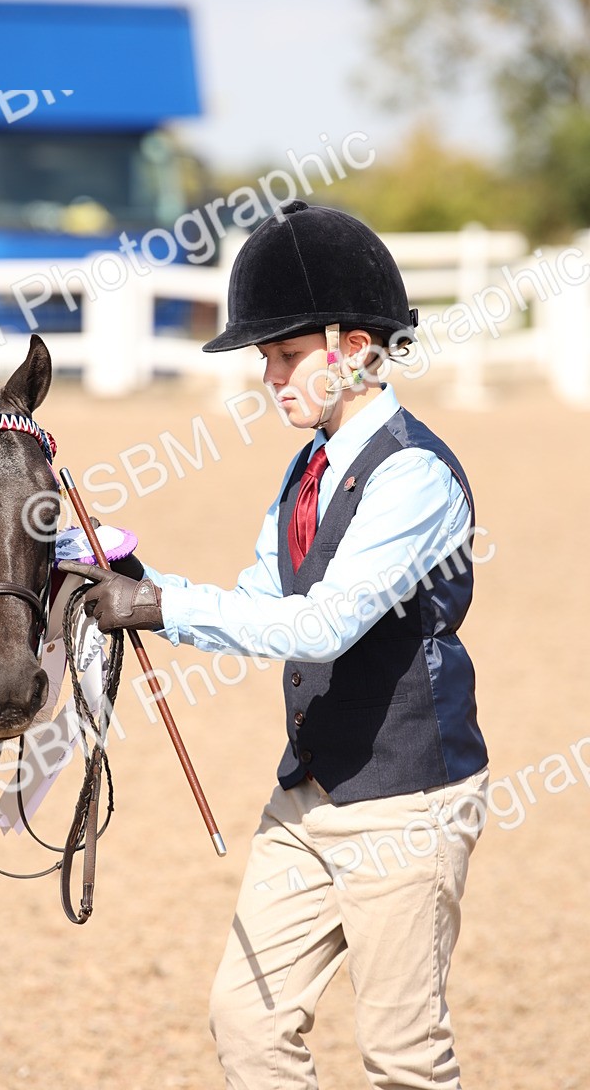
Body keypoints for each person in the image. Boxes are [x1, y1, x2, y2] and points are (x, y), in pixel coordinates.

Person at [58, 200, 489, 1090]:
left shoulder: (413, 475)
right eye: (267, 358)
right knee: (248, 1024)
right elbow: (261, 600)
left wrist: (157, 604)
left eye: (286, 355)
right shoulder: (306, 468)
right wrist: (137, 573)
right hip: (309, 792)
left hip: (407, 804)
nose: (270, 377)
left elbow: (325, 623)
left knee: (404, 1057)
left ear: (356, 344)